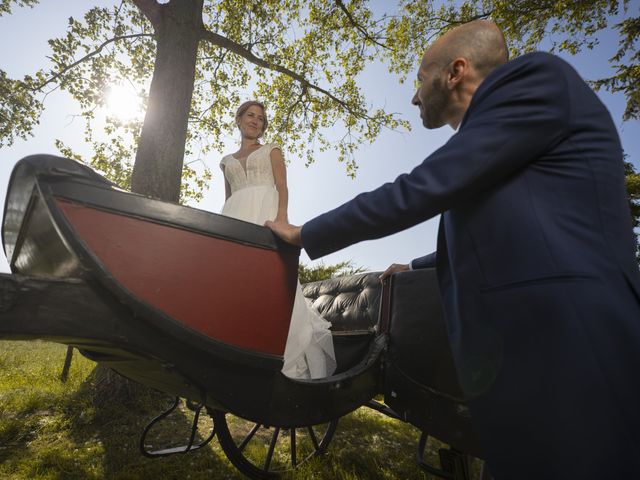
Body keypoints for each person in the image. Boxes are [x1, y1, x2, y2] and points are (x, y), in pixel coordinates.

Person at [267, 20, 640, 479]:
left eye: (420, 78)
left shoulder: (536, 79)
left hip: (572, 343)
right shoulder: (496, 141)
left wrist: (307, 233)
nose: (414, 96)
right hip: (525, 363)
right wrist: (417, 264)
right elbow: (508, 228)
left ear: (455, 71)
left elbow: (421, 187)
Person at [220, 100, 336, 380]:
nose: (255, 121)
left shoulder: (272, 149)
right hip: (235, 218)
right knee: (236, 283)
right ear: (238, 120)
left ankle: (280, 352)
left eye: (260, 118)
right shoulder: (225, 162)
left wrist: (281, 220)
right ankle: (239, 350)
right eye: (250, 115)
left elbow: (282, 186)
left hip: (265, 215)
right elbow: (228, 198)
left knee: (268, 281)